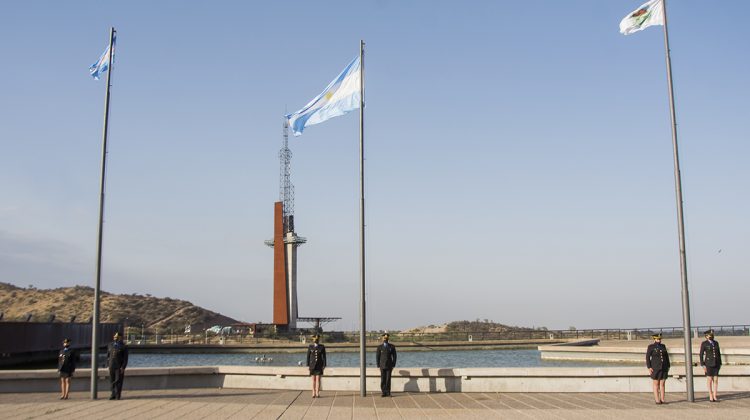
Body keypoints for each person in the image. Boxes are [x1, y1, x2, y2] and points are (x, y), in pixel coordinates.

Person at [645, 333, 670, 405]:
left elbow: (666, 357)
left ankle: (662, 399)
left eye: (660, 339)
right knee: (656, 383)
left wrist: (668, 365)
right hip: (655, 367)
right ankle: (657, 400)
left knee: (662, 383)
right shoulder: (651, 347)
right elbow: (647, 357)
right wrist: (649, 367)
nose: (659, 340)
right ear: (654, 339)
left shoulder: (663, 346)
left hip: (664, 367)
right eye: (657, 339)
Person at [700, 329, 722, 402]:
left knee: (715, 380)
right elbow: (701, 354)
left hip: (716, 363)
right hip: (708, 364)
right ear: (706, 336)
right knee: (709, 379)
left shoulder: (716, 343)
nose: (712, 336)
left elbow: (718, 353)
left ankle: (715, 395)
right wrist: (702, 364)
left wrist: (720, 363)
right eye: (710, 335)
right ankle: (711, 395)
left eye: (712, 335)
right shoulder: (704, 343)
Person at [107, 331, 129, 400]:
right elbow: (108, 356)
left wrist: (123, 367)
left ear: (120, 338)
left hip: (119, 366)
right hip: (111, 366)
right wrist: (108, 365)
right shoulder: (110, 345)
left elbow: (125, 358)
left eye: (117, 337)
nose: (115, 338)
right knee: (112, 380)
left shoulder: (124, 347)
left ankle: (117, 394)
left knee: (118, 381)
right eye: (114, 337)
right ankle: (112, 394)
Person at [375, 333, 397, 397]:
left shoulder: (392, 346)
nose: (385, 339)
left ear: (388, 339)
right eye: (384, 338)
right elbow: (377, 357)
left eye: (386, 338)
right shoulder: (379, 347)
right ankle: (383, 392)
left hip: (389, 365)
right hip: (382, 365)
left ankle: (388, 392)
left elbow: (394, 356)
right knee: (383, 379)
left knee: (388, 379)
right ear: (382, 339)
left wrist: (393, 365)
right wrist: (378, 365)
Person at [306, 334, 326, 398]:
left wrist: (324, 365)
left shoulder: (322, 347)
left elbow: (324, 357)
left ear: (318, 340)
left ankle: (317, 393)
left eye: (317, 340)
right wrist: (308, 365)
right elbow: (308, 356)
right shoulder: (310, 347)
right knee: (313, 380)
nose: (316, 341)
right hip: (312, 365)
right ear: (313, 340)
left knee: (318, 380)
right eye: (314, 340)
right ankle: (313, 392)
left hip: (319, 365)